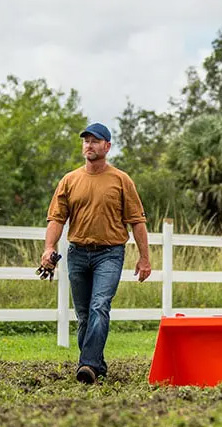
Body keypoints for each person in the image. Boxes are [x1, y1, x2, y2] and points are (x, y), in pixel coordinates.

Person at [40, 122, 152, 384]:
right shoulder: (70, 180)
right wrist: (49, 248)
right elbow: (56, 219)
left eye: (95, 140)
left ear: (107, 146)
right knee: (84, 316)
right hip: (77, 253)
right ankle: (96, 365)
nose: (89, 145)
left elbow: (137, 221)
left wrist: (145, 258)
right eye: (86, 141)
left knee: (99, 306)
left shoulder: (121, 181)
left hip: (110, 254)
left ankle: (87, 364)